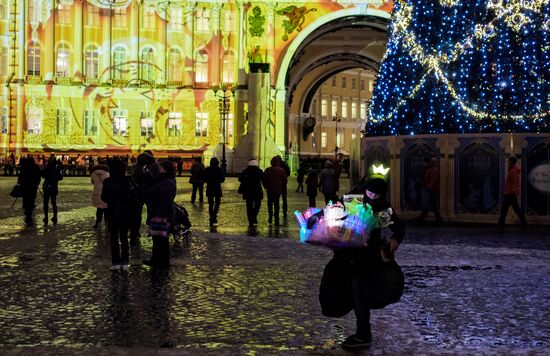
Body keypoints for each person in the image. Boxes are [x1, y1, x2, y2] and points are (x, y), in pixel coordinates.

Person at [330, 175, 405, 350]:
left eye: (376, 195)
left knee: (360, 293)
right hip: (347, 254)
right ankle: (362, 331)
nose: (371, 197)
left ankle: (363, 333)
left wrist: (395, 240)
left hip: (368, 258)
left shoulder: (384, 209)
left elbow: (399, 227)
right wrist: (318, 218)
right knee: (352, 292)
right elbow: (334, 208)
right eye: (369, 193)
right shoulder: (355, 201)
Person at [144, 159, 177, 268]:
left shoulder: (166, 182)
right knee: (158, 238)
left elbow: (164, 200)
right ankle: (158, 260)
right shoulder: (165, 180)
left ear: (166, 170)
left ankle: (161, 261)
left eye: (161, 168)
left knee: (160, 239)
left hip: (161, 214)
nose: (159, 170)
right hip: (160, 213)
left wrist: (159, 214)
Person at [101, 160, 132, 271]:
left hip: (112, 212)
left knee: (114, 237)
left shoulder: (107, 181)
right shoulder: (128, 180)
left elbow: (103, 198)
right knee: (124, 237)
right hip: (125, 212)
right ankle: (125, 262)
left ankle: (115, 262)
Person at [129, 151, 159, 245]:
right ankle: (137, 233)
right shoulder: (142, 167)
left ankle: (137, 233)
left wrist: (146, 173)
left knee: (140, 214)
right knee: (139, 214)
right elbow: (135, 179)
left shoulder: (151, 167)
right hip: (143, 193)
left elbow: (154, 180)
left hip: (145, 193)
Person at [498, 156, 527, 227]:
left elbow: (514, 182)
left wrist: (513, 191)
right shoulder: (513, 170)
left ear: (511, 162)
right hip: (510, 193)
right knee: (515, 209)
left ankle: (501, 224)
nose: (508, 162)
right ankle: (524, 222)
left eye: (509, 161)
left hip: (510, 193)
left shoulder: (513, 171)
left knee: (504, 209)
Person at [415, 157, 443, 224]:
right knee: (433, 206)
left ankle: (422, 218)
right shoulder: (432, 169)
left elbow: (432, 180)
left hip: (433, 190)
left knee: (429, 205)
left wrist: (428, 188)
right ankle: (438, 220)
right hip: (434, 190)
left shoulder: (433, 170)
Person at [238, 159, 264, 227]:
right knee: (258, 205)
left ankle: (250, 220)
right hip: (257, 191)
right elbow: (263, 179)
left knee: (249, 206)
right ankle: (254, 216)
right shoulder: (259, 171)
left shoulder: (246, 171)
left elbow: (240, 179)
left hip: (248, 191)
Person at [262, 156, 287, 226]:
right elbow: (285, 181)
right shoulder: (281, 170)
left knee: (270, 203)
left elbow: (264, 179)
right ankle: (276, 217)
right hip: (278, 190)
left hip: (270, 189)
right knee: (277, 204)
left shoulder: (268, 170)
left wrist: (266, 187)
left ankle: (270, 216)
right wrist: (281, 187)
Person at [18, 156, 41, 227]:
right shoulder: (36, 167)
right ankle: (29, 213)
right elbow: (38, 177)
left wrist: (20, 183)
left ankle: (27, 211)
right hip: (33, 186)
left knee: (26, 198)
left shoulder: (24, 167)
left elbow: (20, 176)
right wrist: (36, 184)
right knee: (32, 199)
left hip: (25, 186)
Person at [41, 155, 63, 224]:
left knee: (46, 202)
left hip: (47, 186)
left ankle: (46, 217)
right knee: (53, 202)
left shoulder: (47, 168)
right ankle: (55, 216)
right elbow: (60, 177)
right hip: (54, 187)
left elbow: (43, 175)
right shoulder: (56, 169)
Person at [203, 157, 225, 227]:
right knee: (217, 203)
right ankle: (214, 215)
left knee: (210, 204)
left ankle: (212, 217)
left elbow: (204, 179)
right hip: (217, 188)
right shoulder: (219, 169)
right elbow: (222, 180)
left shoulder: (207, 169)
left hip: (210, 188)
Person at [91, 161, 110, 229]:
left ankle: (98, 223)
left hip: (97, 192)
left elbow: (92, 182)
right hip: (105, 192)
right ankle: (107, 223)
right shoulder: (107, 173)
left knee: (99, 209)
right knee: (106, 209)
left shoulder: (93, 173)